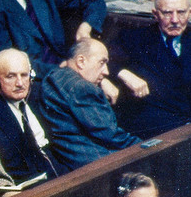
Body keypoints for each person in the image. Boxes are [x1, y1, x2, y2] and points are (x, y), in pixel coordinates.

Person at [111, 0, 191, 139]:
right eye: (167, 13)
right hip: (147, 133)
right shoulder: (133, 39)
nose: (175, 20)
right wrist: (123, 73)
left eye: (181, 12)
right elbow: (103, 60)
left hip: (189, 133)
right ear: (155, 14)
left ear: (190, 13)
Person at [38, 38, 140, 171]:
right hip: (98, 165)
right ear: (81, 61)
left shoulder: (54, 76)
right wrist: (145, 145)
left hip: (71, 161)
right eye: (102, 63)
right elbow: (111, 136)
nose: (106, 72)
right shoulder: (83, 88)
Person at [0, 48, 62, 182]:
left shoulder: (38, 95)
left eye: (24, 75)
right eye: (10, 76)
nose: (20, 83)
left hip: (59, 174)